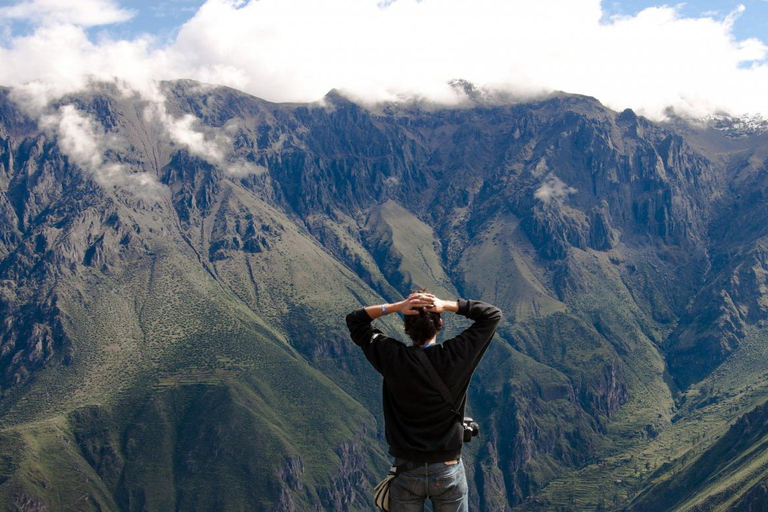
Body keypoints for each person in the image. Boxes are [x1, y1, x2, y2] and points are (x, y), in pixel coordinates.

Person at [345, 290, 502, 511]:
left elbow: (355, 320)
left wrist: (395, 307)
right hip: (447, 469)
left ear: (406, 328)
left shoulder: (392, 357)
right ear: (439, 323)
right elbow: (492, 315)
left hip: (406, 469)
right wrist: (446, 305)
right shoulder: (456, 356)